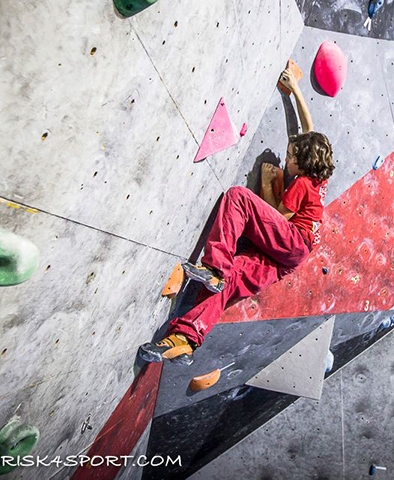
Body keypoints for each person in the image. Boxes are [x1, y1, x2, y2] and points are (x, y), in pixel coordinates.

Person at [138, 63, 335, 365]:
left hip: (291, 240)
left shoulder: (303, 185)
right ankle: (185, 340)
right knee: (232, 277)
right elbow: (309, 129)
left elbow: (277, 218)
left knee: (239, 198)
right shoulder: (319, 176)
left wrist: (268, 184)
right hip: (289, 260)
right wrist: (294, 89)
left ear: (305, 163)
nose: (287, 157)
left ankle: (214, 267)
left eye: (292, 157)